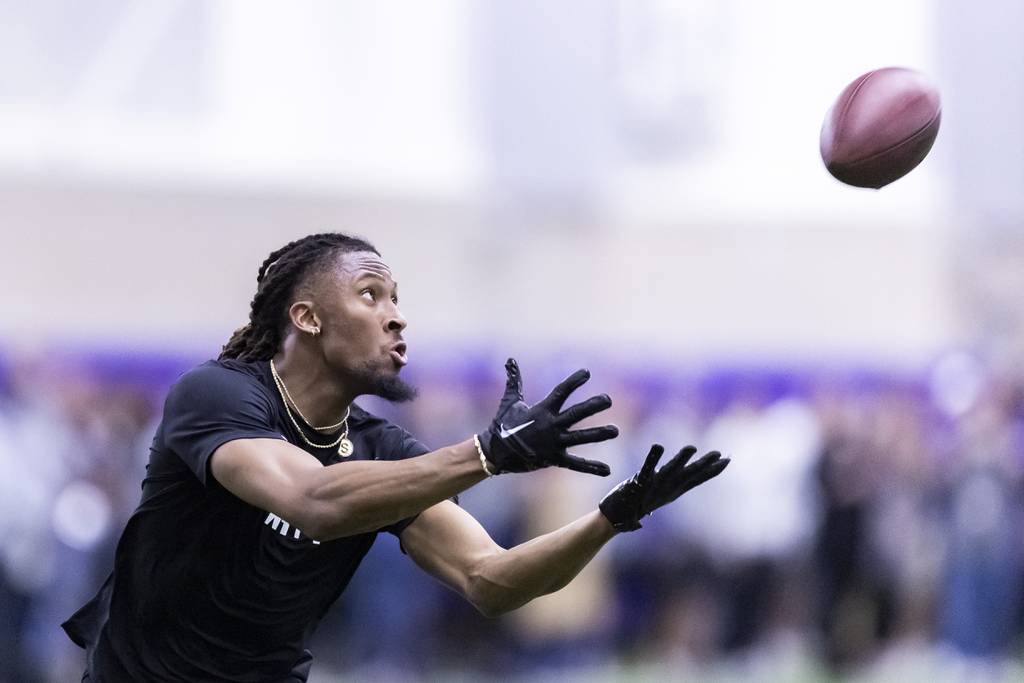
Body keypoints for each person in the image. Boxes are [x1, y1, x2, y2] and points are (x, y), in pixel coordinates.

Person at [62, 232, 729, 682]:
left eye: (399, 299)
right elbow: (313, 501)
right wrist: (485, 453)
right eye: (371, 294)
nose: (397, 316)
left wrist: (608, 520)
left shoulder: (384, 450)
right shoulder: (216, 395)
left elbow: (492, 580)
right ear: (307, 317)